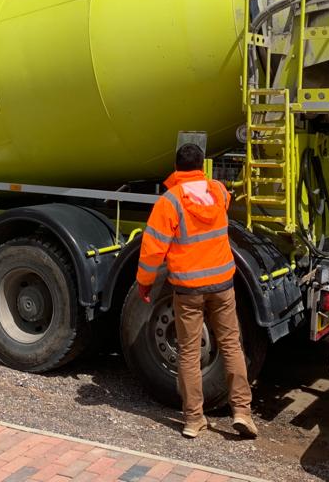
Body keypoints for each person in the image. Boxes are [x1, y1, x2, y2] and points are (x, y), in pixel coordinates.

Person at [135, 143, 257, 439]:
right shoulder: (216, 191)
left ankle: (193, 420)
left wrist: (145, 281)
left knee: (189, 353)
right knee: (231, 345)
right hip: (222, 284)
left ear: (175, 167)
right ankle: (242, 412)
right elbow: (224, 197)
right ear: (202, 165)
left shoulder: (170, 201)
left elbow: (153, 249)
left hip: (189, 288)